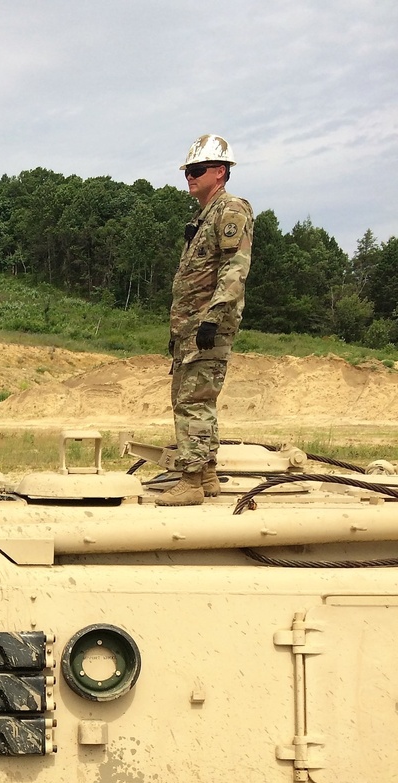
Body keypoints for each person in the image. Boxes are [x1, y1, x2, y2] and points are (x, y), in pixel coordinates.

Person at [160, 134, 254, 508]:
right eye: (187, 171)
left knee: (193, 400)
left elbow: (235, 268)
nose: (190, 177)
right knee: (192, 396)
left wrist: (213, 317)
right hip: (192, 327)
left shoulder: (231, 210)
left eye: (197, 171)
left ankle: (191, 481)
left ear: (220, 171)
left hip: (206, 325)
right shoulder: (204, 217)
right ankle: (207, 473)